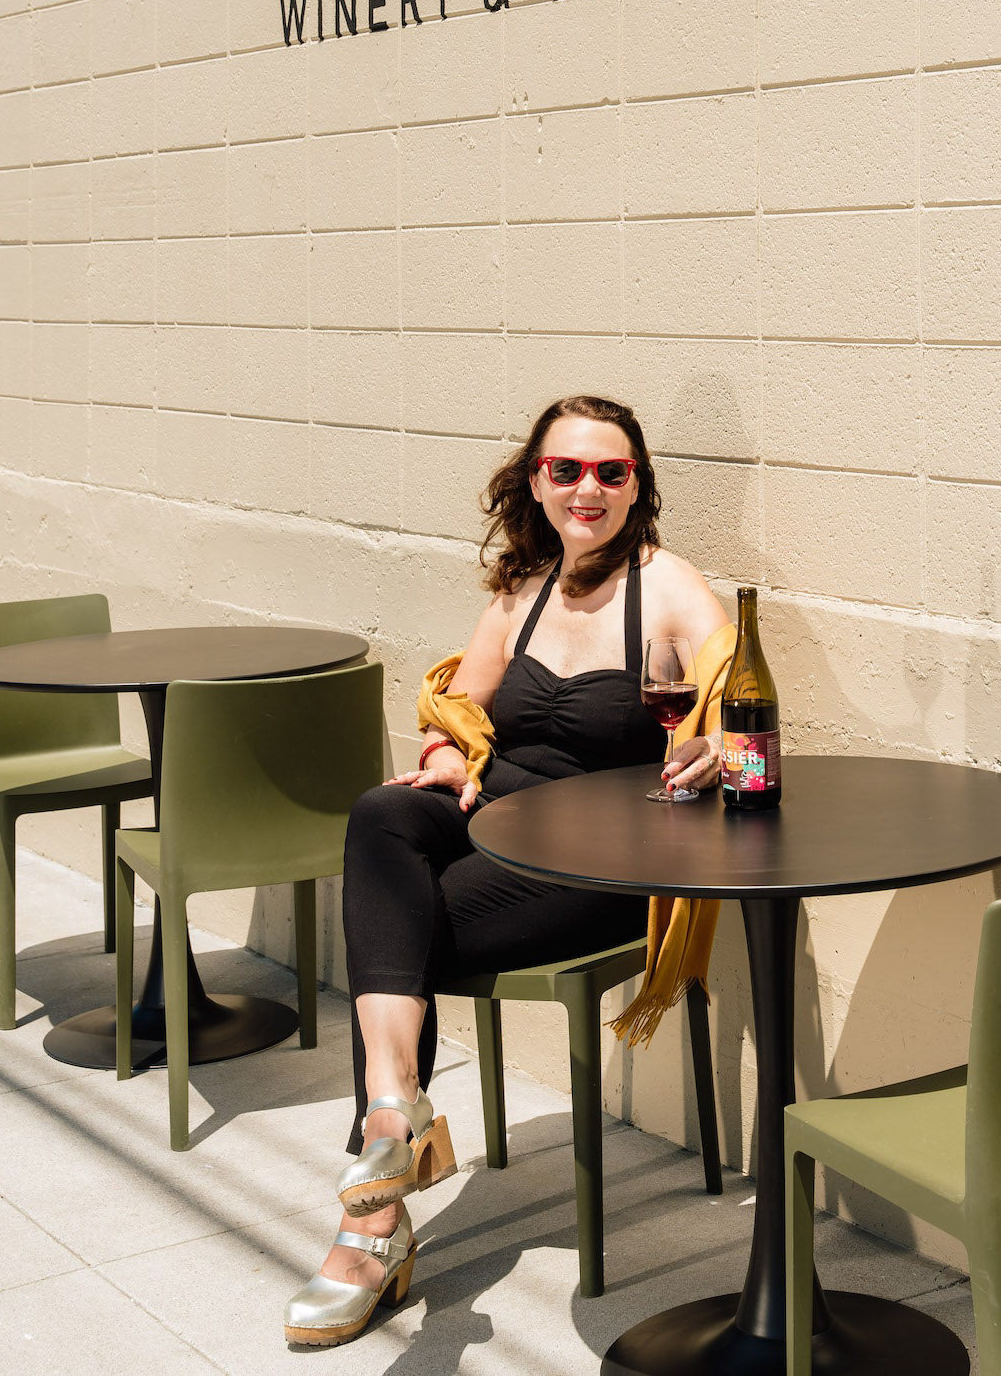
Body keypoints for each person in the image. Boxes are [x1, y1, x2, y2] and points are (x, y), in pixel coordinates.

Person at [283, 394, 733, 1348]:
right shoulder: (522, 592)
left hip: (602, 860)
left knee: (397, 926)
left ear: (638, 486)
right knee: (384, 812)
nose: (588, 489)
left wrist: (718, 747)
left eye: (611, 472)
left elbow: (740, 702)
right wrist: (452, 757)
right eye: (566, 470)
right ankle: (396, 1110)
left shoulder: (673, 589)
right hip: (501, 821)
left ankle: (370, 1225)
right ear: (536, 481)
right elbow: (464, 713)